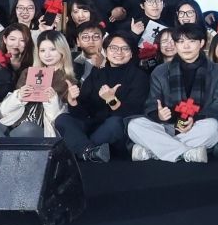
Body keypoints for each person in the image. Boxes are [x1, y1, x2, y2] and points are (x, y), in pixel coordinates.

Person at [128, 23, 218, 163]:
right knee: (134, 125)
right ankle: (187, 153)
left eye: (191, 41)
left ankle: (153, 151)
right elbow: (151, 104)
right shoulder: (160, 71)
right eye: (181, 41)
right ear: (176, 44)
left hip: (197, 126)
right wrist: (158, 114)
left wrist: (195, 119)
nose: (185, 46)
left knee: (213, 127)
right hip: (166, 126)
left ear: (201, 43)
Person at [57, 32, 150, 163]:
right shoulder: (97, 74)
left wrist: (112, 100)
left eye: (125, 48)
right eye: (114, 48)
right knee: (63, 119)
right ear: (105, 51)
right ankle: (90, 151)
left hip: (118, 132)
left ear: (131, 53)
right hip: (93, 126)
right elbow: (83, 113)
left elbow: (133, 113)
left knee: (115, 123)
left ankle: (83, 150)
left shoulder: (139, 76)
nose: (119, 52)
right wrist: (73, 102)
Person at [0, 31, 76, 138]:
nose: (47, 55)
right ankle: (7, 142)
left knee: (27, 128)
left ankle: (5, 142)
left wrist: (52, 100)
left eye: (53, 49)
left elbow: (61, 121)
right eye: (42, 50)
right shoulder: (28, 73)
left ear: (63, 51)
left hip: (43, 129)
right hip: (15, 123)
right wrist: (19, 97)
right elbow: (3, 112)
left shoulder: (68, 80)